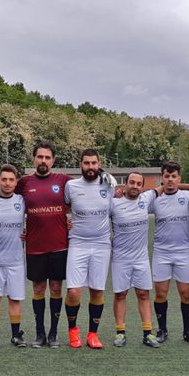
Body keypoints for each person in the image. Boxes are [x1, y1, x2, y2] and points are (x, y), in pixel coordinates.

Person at [15, 143, 71, 349]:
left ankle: (53, 333)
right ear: (33, 159)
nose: (43, 161)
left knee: (56, 287)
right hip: (35, 246)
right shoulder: (24, 182)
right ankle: (39, 333)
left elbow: (83, 195)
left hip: (59, 245)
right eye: (40, 157)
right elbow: (9, 201)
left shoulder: (64, 181)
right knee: (38, 288)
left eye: (47, 158)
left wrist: (71, 218)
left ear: (53, 161)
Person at [63, 149, 115, 349]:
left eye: (94, 163)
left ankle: (93, 334)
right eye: (86, 163)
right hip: (78, 243)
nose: (90, 167)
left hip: (102, 244)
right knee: (74, 292)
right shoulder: (71, 186)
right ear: (80, 165)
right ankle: (73, 330)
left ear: (99, 163)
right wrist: (67, 221)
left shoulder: (108, 184)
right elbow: (65, 208)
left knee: (97, 291)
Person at [110, 172, 160, 348]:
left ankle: (148, 333)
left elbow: (165, 187)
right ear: (125, 184)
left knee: (143, 294)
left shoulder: (146, 199)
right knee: (120, 294)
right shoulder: (113, 203)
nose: (135, 186)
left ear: (142, 187)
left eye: (139, 184)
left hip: (141, 258)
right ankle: (120, 332)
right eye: (132, 182)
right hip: (120, 258)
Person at [150, 162, 189, 344]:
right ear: (161, 178)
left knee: (186, 293)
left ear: (179, 178)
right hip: (161, 252)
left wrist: (187, 187)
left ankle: (188, 331)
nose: (170, 180)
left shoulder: (188, 197)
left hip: (183, 252)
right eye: (167, 176)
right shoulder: (154, 199)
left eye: (174, 176)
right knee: (161, 293)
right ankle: (162, 329)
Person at [0, 164, 27, 350]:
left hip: (16, 260)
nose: (7, 183)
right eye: (4, 179)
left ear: (16, 182)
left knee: (14, 299)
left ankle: (15, 335)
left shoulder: (22, 200)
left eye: (11, 180)